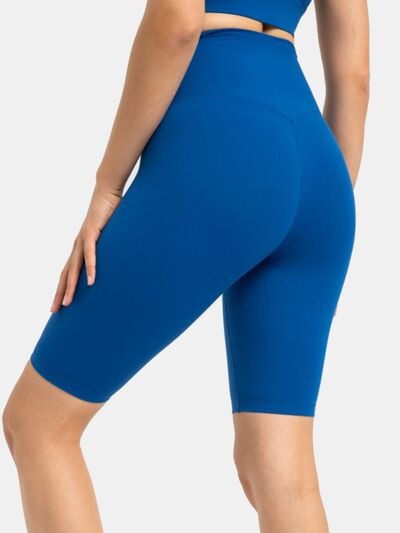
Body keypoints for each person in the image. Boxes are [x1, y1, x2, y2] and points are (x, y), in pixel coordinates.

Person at [3, 0, 369, 531]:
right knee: (280, 474)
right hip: (320, 168)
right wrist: (313, 212)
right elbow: (355, 77)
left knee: (39, 425)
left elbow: (177, 21)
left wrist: (108, 185)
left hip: (225, 139)